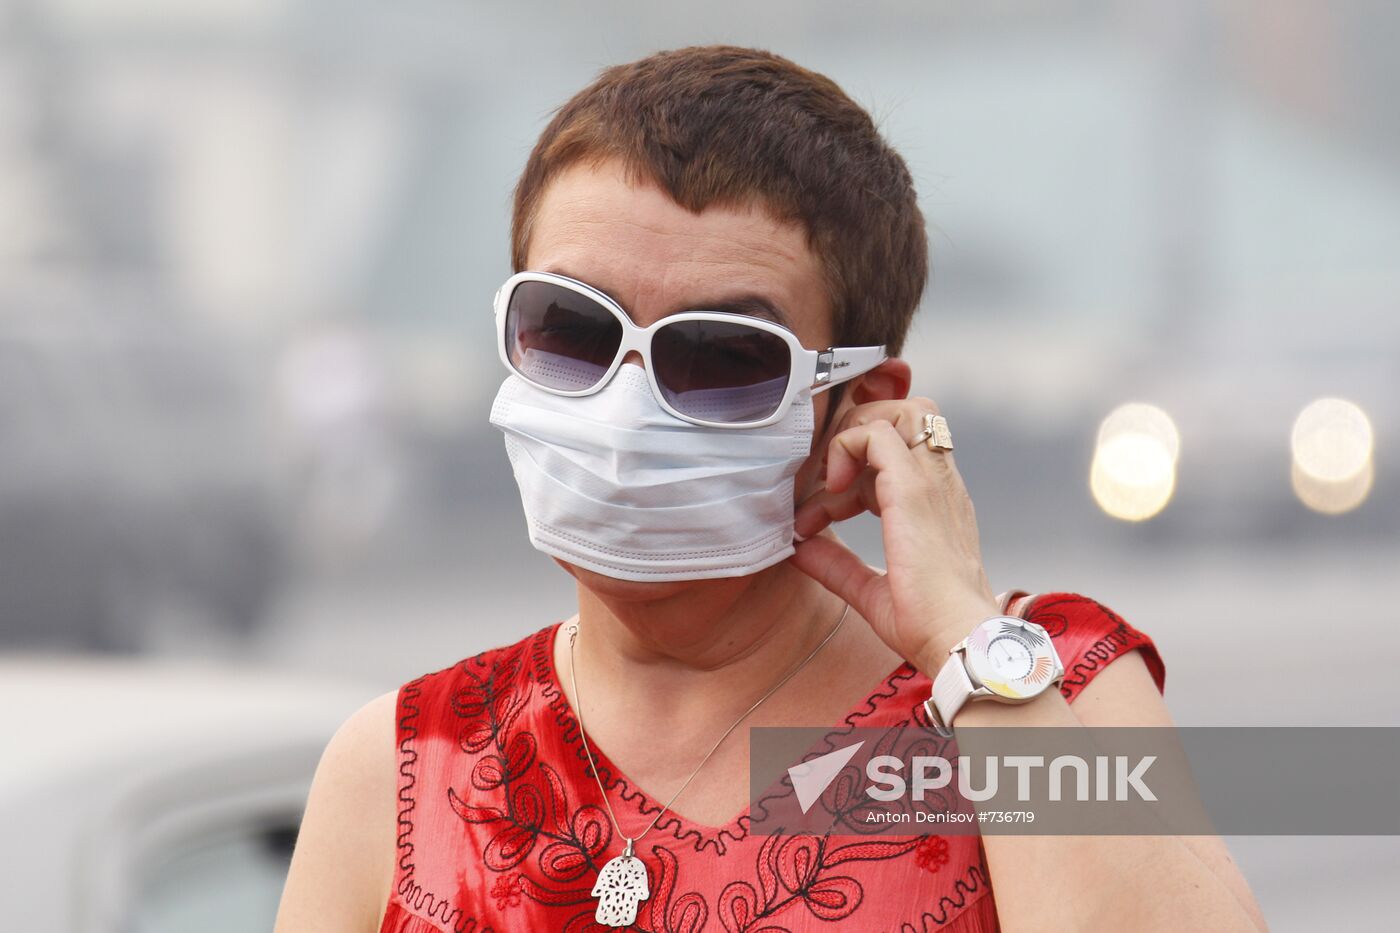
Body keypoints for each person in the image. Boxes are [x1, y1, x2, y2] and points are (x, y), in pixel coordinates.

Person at [276, 45, 1267, 932]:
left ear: (854, 406)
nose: (625, 409)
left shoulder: (1052, 688)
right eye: (571, 329)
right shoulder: (404, 766)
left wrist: (966, 650)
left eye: (719, 355)